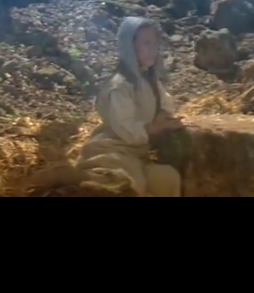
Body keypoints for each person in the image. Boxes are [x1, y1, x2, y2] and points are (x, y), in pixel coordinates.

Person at [75, 17, 185, 197]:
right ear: (130, 46)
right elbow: (127, 130)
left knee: (168, 179)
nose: (152, 49)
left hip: (137, 155)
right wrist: (156, 127)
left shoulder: (149, 80)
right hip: (112, 151)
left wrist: (165, 118)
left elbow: (165, 105)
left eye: (155, 44)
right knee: (128, 186)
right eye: (146, 43)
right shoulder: (120, 86)